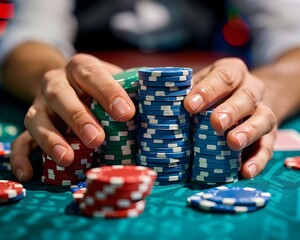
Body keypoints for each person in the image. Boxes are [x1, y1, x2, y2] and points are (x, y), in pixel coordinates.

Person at [0, 0, 299, 183]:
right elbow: (28, 35)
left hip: (204, 85)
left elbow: (292, 36)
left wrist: (260, 94)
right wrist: (54, 84)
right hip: (90, 88)